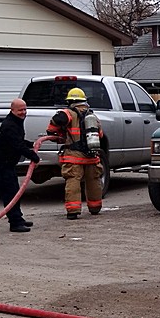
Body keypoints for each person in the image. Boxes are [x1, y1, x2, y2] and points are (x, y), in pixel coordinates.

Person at [46, 87, 104, 220]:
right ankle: (95, 207)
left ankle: (73, 210)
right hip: (92, 155)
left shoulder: (68, 113)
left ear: (70, 101)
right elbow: (100, 134)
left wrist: (54, 132)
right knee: (93, 181)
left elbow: (53, 125)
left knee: (73, 181)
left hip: (74, 156)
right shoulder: (92, 116)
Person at [0, 98, 41, 233]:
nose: (23, 112)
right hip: (0, 164)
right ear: (12, 110)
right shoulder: (9, 125)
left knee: (15, 191)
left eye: (25, 109)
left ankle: (18, 218)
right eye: (20, 110)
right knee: (10, 193)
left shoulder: (16, 122)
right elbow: (16, 145)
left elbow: (18, 140)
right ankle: (15, 223)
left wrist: (30, 144)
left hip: (8, 164)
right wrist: (34, 156)